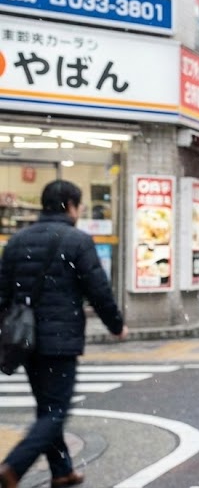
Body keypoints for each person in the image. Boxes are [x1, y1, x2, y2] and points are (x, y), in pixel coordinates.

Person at [0, 180, 128, 488]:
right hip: (60, 339)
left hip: (25, 340)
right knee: (56, 410)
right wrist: (116, 325)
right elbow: (98, 290)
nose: (80, 210)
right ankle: (14, 466)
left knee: (47, 407)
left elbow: (3, 294)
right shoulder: (78, 241)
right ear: (70, 205)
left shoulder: (17, 241)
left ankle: (61, 471)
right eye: (79, 205)